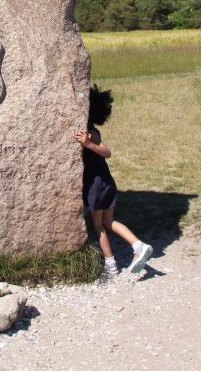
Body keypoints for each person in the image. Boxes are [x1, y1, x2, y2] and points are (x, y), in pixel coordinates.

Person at [76, 84, 153, 277]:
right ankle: (138, 245)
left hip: (96, 184)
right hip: (105, 181)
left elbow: (107, 152)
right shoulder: (90, 130)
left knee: (99, 226)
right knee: (109, 222)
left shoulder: (89, 133)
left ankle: (111, 266)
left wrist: (88, 144)